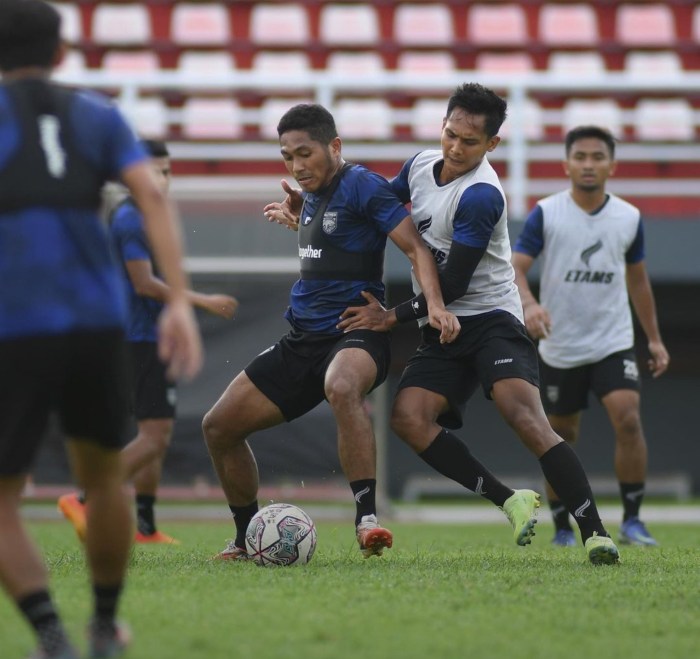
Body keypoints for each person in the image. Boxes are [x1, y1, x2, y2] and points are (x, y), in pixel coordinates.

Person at [337, 83, 621, 565]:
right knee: (408, 420)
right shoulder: (420, 166)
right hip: (442, 323)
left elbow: (454, 283)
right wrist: (311, 213)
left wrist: (391, 316)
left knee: (524, 416)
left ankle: (594, 532)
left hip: (490, 318)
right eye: (450, 133)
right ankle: (510, 499)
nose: (455, 146)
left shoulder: (481, 195)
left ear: (491, 144)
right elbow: (376, 213)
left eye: (469, 142)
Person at [0, 2, 202, 658]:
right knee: (105, 478)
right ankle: (104, 626)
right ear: (61, 54)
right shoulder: (96, 114)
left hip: (16, 326)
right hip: (95, 323)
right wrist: (177, 302)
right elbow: (150, 194)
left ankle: (51, 635)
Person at [202, 103, 460, 561]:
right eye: (288, 157)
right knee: (218, 426)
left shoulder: (363, 184)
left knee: (342, 385)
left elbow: (415, 249)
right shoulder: (310, 195)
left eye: (306, 153)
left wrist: (425, 308)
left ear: (334, 146)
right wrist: (300, 217)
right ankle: (245, 538)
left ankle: (367, 521)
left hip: (355, 332)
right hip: (303, 339)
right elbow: (333, 234)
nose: (298, 166)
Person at [58, 140, 238, 545]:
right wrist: (202, 301)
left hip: (144, 335)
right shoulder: (130, 220)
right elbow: (144, 284)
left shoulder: (142, 214)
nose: (162, 179)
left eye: (168, 171)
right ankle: (84, 498)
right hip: (140, 338)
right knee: (155, 436)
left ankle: (144, 525)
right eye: (154, 170)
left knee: (152, 434)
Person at [511, 125, 669, 547]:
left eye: (597, 157)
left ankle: (633, 520)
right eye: (579, 156)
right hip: (561, 345)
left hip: (613, 341)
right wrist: (529, 304)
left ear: (611, 165)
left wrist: (653, 338)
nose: (588, 164)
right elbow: (516, 267)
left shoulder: (629, 217)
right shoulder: (547, 212)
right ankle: (563, 526)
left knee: (629, 419)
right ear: (566, 164)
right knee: (561, 435)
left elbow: (638, 281)